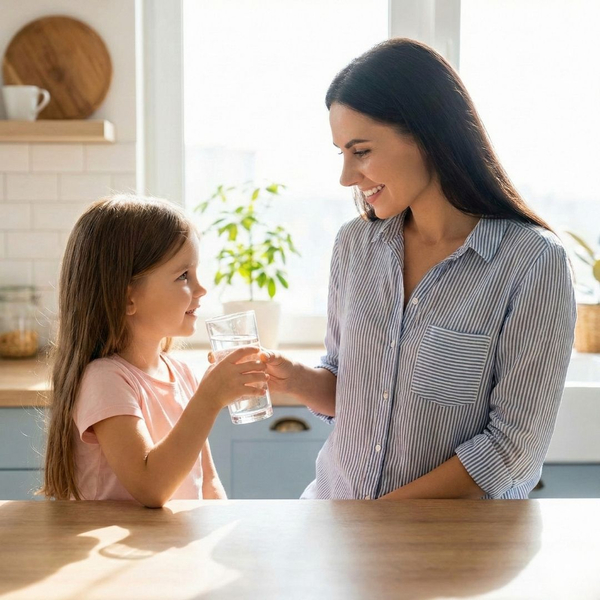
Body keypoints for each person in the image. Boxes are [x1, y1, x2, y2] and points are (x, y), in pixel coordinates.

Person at [263, 38, 577, 500]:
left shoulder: (532, 264)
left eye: (362, 150)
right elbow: (351, 388)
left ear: (427, 134)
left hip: (445, 552)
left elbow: (512, 450)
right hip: (336, 529)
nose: (347, 177)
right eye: (341, 153)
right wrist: (294, 379)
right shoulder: (355, 246)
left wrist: (380, 523)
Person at [42, 195, 268, 507]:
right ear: (128, 299)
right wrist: (210, 397)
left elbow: (207, 481)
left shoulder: (182, 373)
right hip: (117, 552)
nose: (201, 289)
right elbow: (151, 487)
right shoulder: (105, 380)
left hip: (164, 548)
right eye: (183, 276)